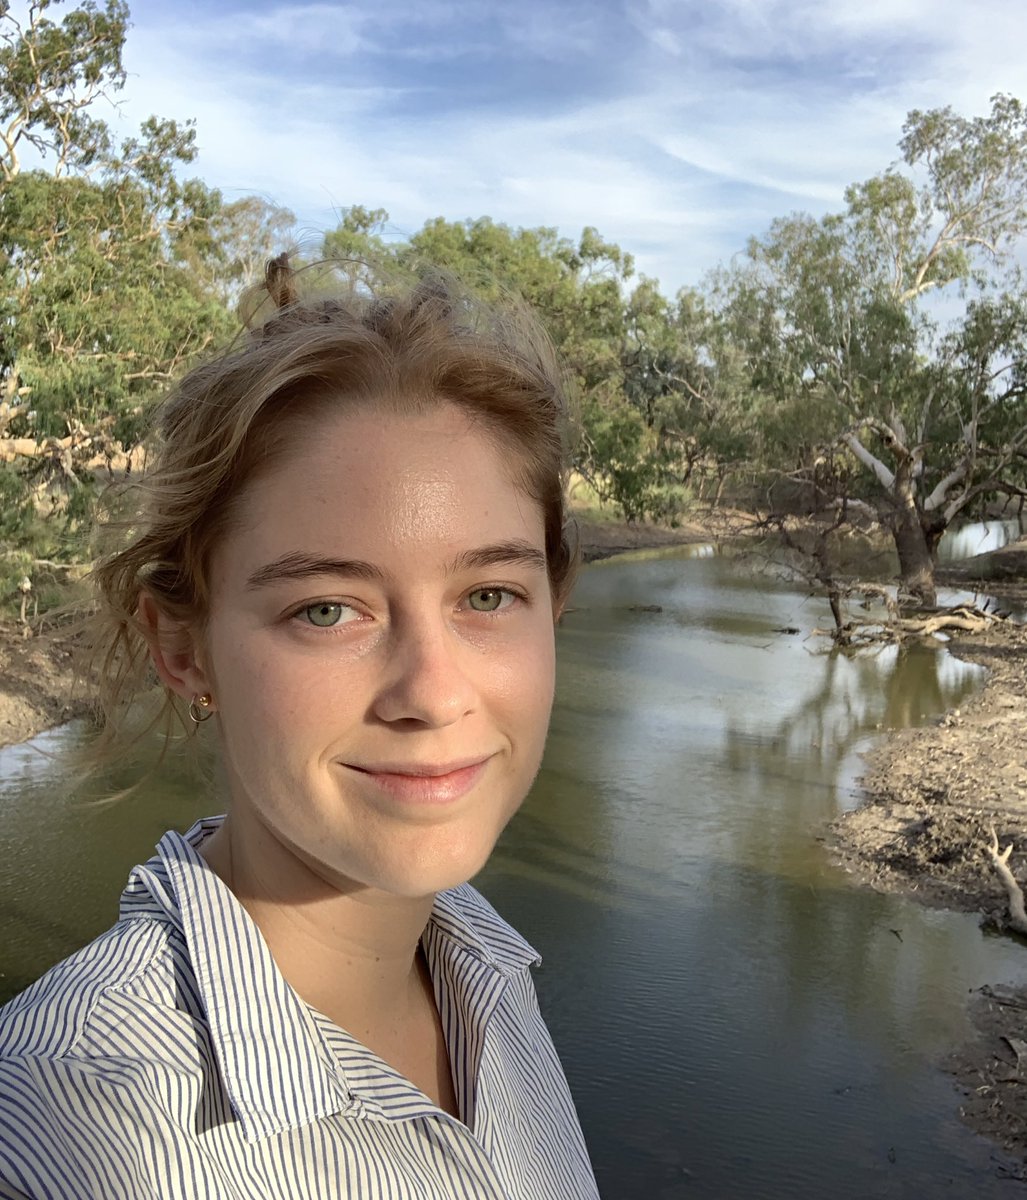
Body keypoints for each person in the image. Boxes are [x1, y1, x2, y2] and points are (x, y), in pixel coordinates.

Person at [0, 261, 600, 1200]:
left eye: (488, 596)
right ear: (185, 650)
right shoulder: (69, 1120)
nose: (433, 696)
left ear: (552, 605)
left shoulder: (487, 969)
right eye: (327, 610)